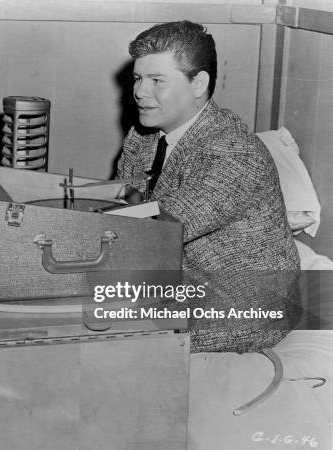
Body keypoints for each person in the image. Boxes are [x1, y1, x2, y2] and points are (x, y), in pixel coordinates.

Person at [116, 21, 300, 353]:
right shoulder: (143, 135)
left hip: (239, 303)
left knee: (105, 335)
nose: (140, 92)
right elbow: (122, 206)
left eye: (157, 80)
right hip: (177, 278)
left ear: (198, 83)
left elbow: (150, 231)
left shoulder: (234, 153)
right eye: (138, 78)